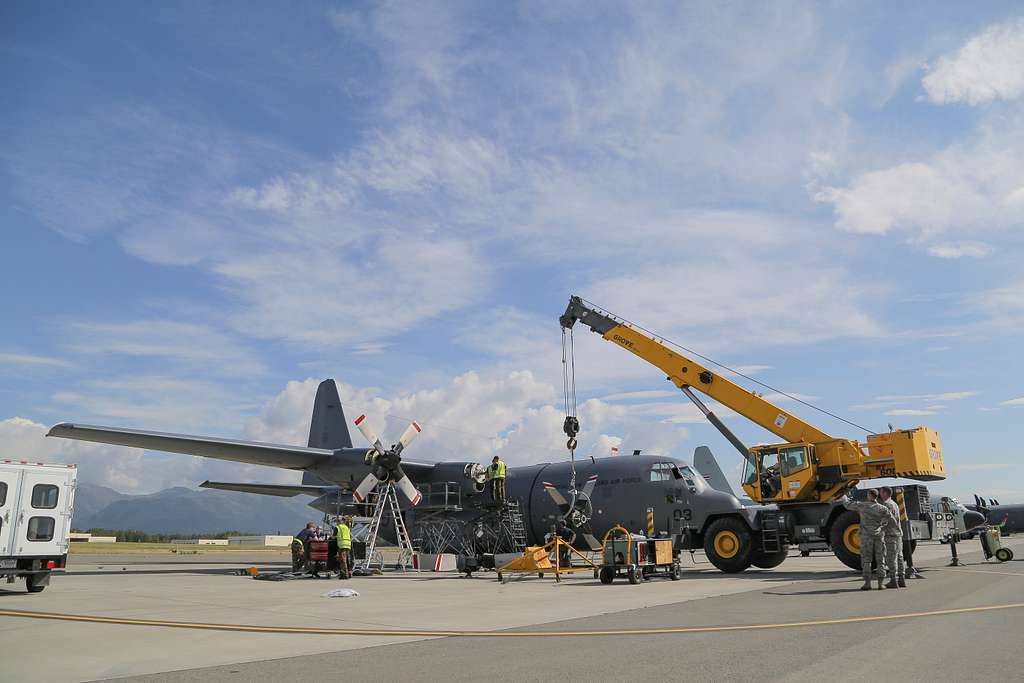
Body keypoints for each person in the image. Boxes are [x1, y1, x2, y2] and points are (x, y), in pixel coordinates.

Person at [842, 489, 897, 590]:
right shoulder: (882, 508)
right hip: (879, 536)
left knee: (866, 560)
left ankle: (867, 583)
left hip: (866, 537)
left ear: (869, 495)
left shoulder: (862, 505)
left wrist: (843, 495)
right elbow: (892, 521)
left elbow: (847, 505)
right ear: (876, 496)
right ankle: (880, 584)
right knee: (881, 560)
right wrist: (882, 527)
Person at [878, 487, 907, 588]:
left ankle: (893, 580)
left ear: (885, 493)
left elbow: (888, 521)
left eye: (881, 492)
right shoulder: (894, 503)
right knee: (899, 557)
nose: (880, 494)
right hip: (897, 534)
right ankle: (901, 579)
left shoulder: (887, 505)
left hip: (890, 534)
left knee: (891, 558)